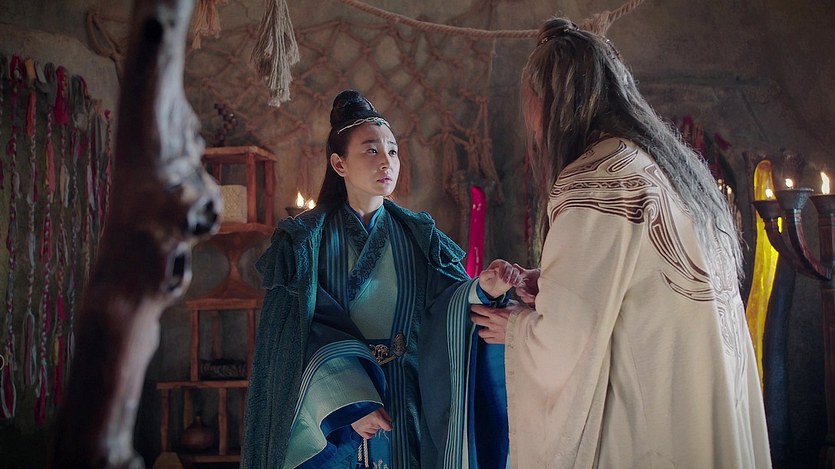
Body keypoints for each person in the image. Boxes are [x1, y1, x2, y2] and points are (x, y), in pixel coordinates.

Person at [469, 17, 772, 468]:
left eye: (531, 103)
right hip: (702, 397)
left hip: (652, 420)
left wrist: (515, 331)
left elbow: (567, 340)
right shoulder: (666, 166)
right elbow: (637, 282)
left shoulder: (594, 181)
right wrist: (549, 285)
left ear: (551, 103)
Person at [242, 89, 516, 469]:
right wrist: (350, 404)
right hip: (334, 412)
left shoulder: (420, 236)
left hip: (406, 402)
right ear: (339, 164)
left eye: (393, 150)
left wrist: (482, 289)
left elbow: (445, 305)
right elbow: (300, 332)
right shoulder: (305, 242)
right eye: (371, 150)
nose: (387, 161)